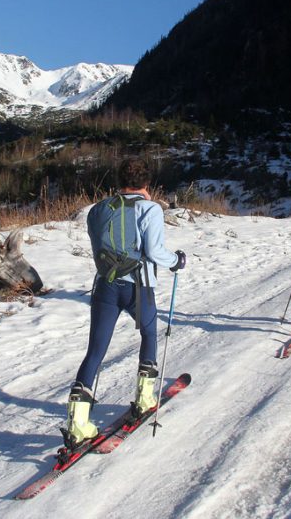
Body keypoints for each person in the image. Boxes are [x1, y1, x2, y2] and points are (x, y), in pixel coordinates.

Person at [65, 158, 186, 447]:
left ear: (120, 180)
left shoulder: (100, 209)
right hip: (138, 287)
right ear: (147, 183)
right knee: (149, 333)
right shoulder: (150, 209)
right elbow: (155, 252)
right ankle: (144, 398)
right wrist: (177, 261)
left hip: (105, 285)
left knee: (95, 350)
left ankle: (77, 423)